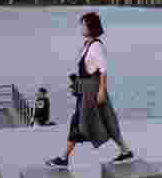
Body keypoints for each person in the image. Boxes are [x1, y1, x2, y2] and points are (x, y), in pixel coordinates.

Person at [46, 12, 134, 168]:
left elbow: (103, 69)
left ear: (90, 27)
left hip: (92, 91)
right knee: (106, 120)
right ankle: (125, 151)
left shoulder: (96, 46)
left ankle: (63, 158)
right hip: (87, 89)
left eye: (83, 25)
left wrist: (101, 91)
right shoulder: (88, 44)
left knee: (78, 121)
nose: (81, 27)